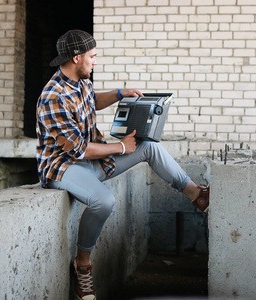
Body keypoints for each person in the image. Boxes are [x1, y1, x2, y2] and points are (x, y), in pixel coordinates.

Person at [35, 29, 209, 300]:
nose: (96, 61)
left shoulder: (79, 81)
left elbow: (92, 101)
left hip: (93, 160)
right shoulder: (53, 96)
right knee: (103, 201)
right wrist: (120, 147)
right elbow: (78, 150)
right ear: (77, 57)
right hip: (63, 167)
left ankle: (197, 195)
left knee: (148, 146)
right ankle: (83, 264)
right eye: (92, 56)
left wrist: (119, 93)